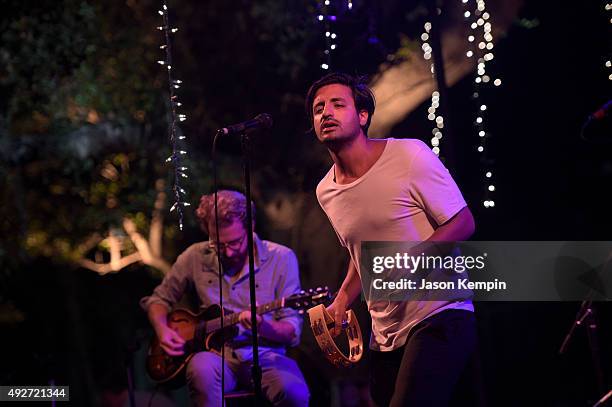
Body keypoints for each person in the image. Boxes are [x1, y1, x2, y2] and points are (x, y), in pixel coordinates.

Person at [307, 72, 478, 406]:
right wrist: (343, 299)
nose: (325, 112)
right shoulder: (325, 191)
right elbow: (360, 256)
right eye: (318, 108)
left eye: (337, 104)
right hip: (384, 333)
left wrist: (411, 259)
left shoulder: (409, 155)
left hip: (439, 312)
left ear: (362, 116)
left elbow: (463, 222)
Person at [140, 190, 310, 407]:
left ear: (251, 228)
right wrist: (163, 330)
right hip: (215, 357)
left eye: (235, 243)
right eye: (218, 244)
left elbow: (292, 332)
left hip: (266, 356)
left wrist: (262, 327)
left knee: (294, 393)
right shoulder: (195, 256)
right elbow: (158, 300)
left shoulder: (281, 258)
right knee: (200, 369)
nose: (227, 252)